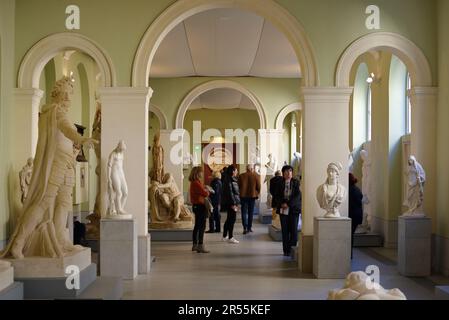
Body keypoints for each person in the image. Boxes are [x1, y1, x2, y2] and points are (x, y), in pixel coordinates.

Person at [1, 76, 97, 259]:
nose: (69, 98)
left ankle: (61, 239)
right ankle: (19, 243)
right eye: (66, 93)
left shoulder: (59, 112)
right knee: (44, 202)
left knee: (64, 202)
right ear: (58, 94)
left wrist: (75, 149)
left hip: (68, 163)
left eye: (71, 94)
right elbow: (67, 129)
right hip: (56, 163)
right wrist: (82, 139)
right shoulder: (54, 111)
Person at [273, 165, 301, 256]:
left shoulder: (296, 183)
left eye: (290, 172)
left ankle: (292, 250)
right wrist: (282, 204)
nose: (288, 174)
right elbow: (276, 195)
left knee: (294, 232)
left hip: (293, 210)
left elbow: (297, 196)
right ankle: (286, 251)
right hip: (283, 210)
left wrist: (288, 204)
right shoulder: (279, 183)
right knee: (285, 231)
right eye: (286, 172)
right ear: (283, 173)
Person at [189, 166, 210, 253]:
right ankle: (200, 245)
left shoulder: (195, 183)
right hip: (200, 206)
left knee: (197, 225)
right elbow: (205, 194)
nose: (202, 173)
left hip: (196, 206)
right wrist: (207, 191)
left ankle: (195, 245)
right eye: (201, 172)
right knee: (201, 226)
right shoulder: (196, 183)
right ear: (197, 173)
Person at [107, 140, 129, 216]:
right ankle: (119, 210)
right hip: (114, 173)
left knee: (125, 192)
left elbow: (121, 165)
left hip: (121, 173)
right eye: (121, 149)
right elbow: (109, 166)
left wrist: (123, 175)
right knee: (118, 192)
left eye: (123, 150)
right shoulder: (113, 154)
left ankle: (119, 209)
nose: (122, 151)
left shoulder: (122, 154)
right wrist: (109, 178)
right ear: (118, 147)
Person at [238, 164, 261, 234]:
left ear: (246, 169)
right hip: (252, 196)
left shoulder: (241, 175)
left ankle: (244, 228)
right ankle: (249, 228)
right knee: (251, 212)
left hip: (243, 196)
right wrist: (257, 192)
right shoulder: (256, 175)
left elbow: (239, 185)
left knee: (244, 212)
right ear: (251, 169)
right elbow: (259, 186)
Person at [222, 165, 240, 244]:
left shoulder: (230, 179)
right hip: (231, 202)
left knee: (229, 219)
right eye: (236, 170)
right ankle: (230, 237)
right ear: (233, 171)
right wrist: (233, 203)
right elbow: (230, 193)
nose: (237, 172)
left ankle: (225, 235)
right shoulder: (229, 180)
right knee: (232, 219)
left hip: (232, 202)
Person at [348, 173, 363, 259]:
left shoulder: (349, 189)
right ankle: (350, 254)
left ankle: (349, 254)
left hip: (352, 215)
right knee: (351, 235)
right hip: (357, 216)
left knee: (349, 235)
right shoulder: (357, 189)